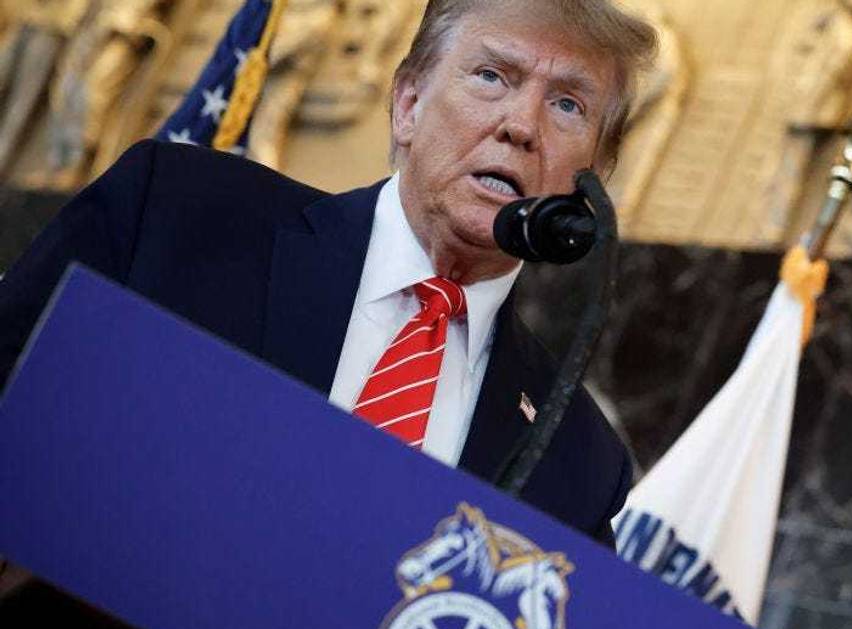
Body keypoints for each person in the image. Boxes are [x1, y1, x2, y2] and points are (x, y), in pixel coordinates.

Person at [0, 0, 658, 546]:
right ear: (408, 103)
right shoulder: (176, 217)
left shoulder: (577, 457)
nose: (520, 125)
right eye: (491, 75)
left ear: (594, 178)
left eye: (567, 105)